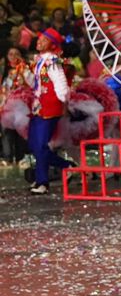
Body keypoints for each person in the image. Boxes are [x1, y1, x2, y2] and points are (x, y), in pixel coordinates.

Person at [25, 27, 76, 193]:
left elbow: (60, 82)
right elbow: (39, 82)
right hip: (39, 105)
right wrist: (24, 71)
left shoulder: (53, 61)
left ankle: (42, 182)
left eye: (44, 40)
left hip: (50, 106)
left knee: (40, 145)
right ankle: (67, 166)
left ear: (52, 44)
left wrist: (64, 102)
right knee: (34, 144)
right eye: (39, 38)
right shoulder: (41, 60)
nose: (39, 41)